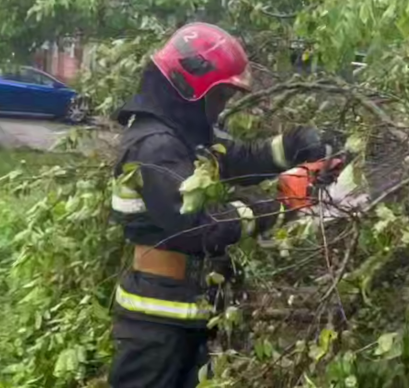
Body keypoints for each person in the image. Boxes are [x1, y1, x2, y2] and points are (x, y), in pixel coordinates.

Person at [107, 23, 337, 388]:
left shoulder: (185, 137)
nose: (221, 107)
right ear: (189, 86)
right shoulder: (155, 148)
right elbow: (199, 226)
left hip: (187, 313)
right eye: (219, 97)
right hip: (156, 321)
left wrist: (298, 145)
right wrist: (280, 205)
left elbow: (243, 157)